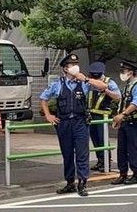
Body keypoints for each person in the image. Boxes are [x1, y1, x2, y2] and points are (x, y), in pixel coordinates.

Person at [40, 53, 109, 197]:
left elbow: (103, 86)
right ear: (65, 69)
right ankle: (70, 182)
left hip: (80, 122)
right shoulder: (57, 84)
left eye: (76, 64)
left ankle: (82, 183)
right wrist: (48, 115)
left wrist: (87, 79)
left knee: (82, 153)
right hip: (64, 122)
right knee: (67, 153)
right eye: (71, 65)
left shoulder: (84, 83)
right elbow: (43, 98)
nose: (75, 67)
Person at [86, 62, 120, 172]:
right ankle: (100, 160)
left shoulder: (110, 82)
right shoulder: (90, 82)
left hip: (103, 116)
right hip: (91, 115)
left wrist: (106, 90)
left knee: (103, 139)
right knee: (95, 140)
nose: (95, 77)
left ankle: (106, 162)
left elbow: (118, 97)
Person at [111, 60, 137, 185]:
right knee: (122, 149)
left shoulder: (136, 85)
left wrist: (123, 114)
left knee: (133, 148)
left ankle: (135, 173)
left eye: (124, 71)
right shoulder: (127, 85)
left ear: (131, 72)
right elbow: (122, 103)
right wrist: (118, 117)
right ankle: (122, 173)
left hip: (134, 122)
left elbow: (135, 103)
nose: (122, 73)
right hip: (125, 122)